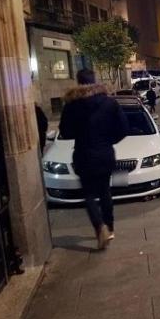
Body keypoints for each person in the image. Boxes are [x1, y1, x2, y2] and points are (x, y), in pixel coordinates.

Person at [59, 69, 129, 249]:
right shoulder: (109, 103)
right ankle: (110, 228)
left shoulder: (72, 105)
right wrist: (107, 140)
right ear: (94, 81)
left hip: (84, 154)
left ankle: (99, 227)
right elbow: (123, 128)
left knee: (89, 194)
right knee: (105, 190)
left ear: (78, 82)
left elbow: (65, 132)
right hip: (104, 154)